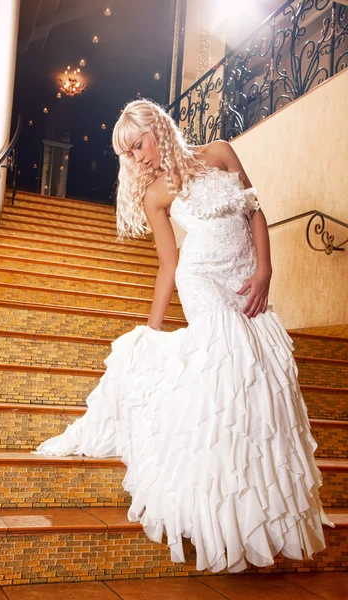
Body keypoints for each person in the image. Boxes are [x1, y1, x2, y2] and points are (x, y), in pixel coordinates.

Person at [32, 98, 334, 573]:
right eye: (128, 154)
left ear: (157, 127)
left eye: (138, 145)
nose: (137, 158)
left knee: (264, 378)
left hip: (245, 279)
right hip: (202, 283)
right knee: (231, 357)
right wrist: (151, 331)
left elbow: (255, 213)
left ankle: (251, 501)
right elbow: (169, 264)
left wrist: (265, 273)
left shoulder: (220, 152)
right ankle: (212, 507)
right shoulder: (156, 194)